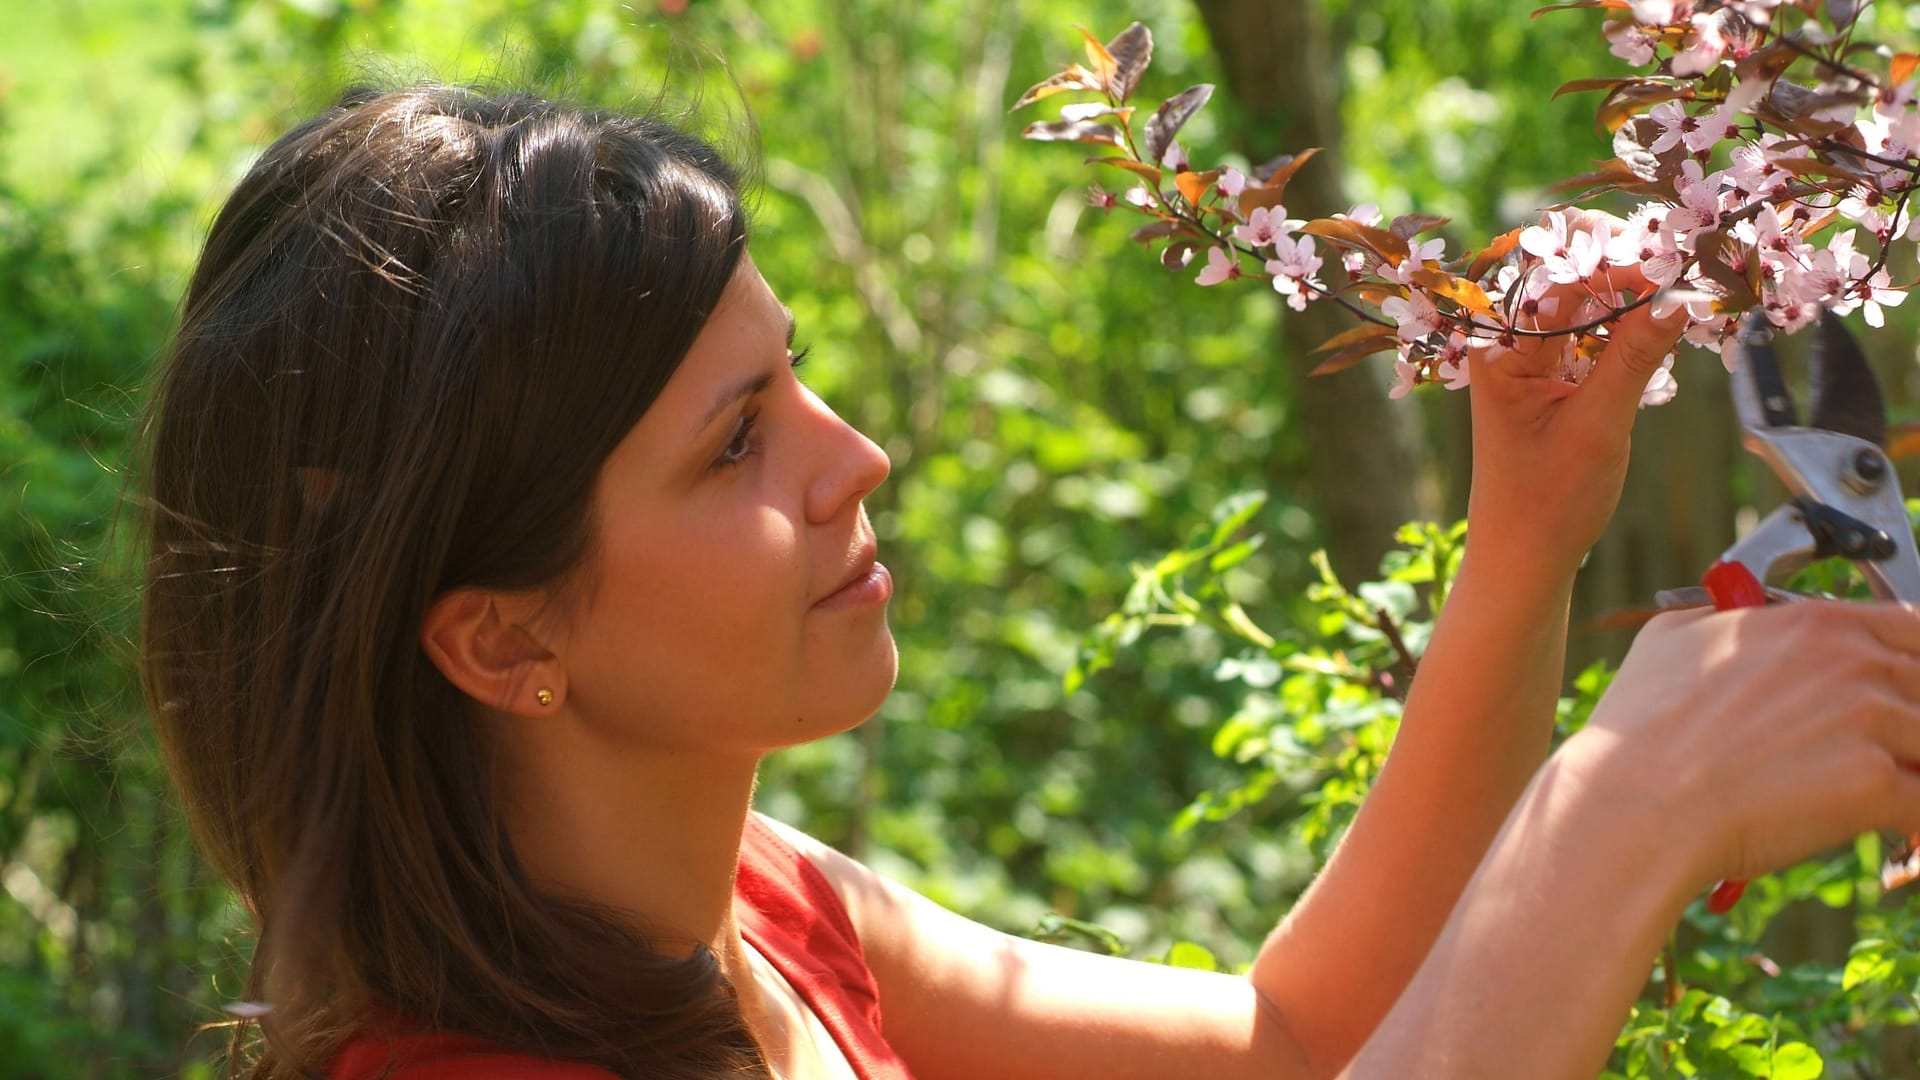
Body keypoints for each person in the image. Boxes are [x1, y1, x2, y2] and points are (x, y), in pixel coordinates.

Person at [136, 83, 1920, 1080]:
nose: (858, 460)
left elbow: (1290, 1037)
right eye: (736, 442)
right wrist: (1621, 814)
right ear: (504, 635)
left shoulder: (755, 916)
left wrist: (1530, 526)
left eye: (799, 376)